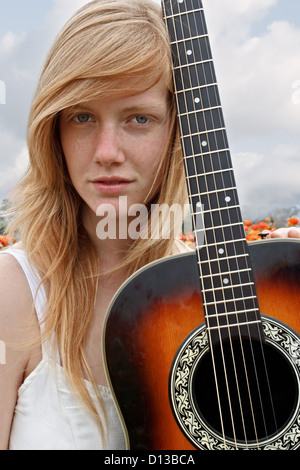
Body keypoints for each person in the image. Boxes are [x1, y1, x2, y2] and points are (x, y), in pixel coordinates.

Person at [0, 0, 299, 451]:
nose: (106, 151)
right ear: (53, 130)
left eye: (139, 118)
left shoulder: (246, 293)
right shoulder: (14, 292)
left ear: (179, 132)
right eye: (82, 116)